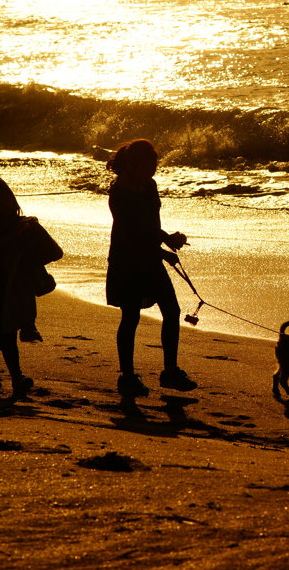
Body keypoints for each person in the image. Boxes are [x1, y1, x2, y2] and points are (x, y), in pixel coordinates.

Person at [106, 139, 196, 396]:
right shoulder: (119, 194)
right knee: (131, 317)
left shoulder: (150, 186)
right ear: (130, 166)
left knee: (172, 310)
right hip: (127, 262)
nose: (151, 172)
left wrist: (167, 238)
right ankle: (127, 376)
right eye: (147, 167)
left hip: (151, 258)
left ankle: (170, 371)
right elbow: (129, 237)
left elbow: (150, 226)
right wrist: (163, 253)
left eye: (154, 166)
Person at [0, 178, 63, 395]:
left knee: (0, 329)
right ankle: (16, 377)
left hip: (18, 285)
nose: (6, 205)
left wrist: (35, 233)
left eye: (7, 199)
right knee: (6, 330)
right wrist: (12, 237)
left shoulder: (24, 224)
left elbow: (54, 252)